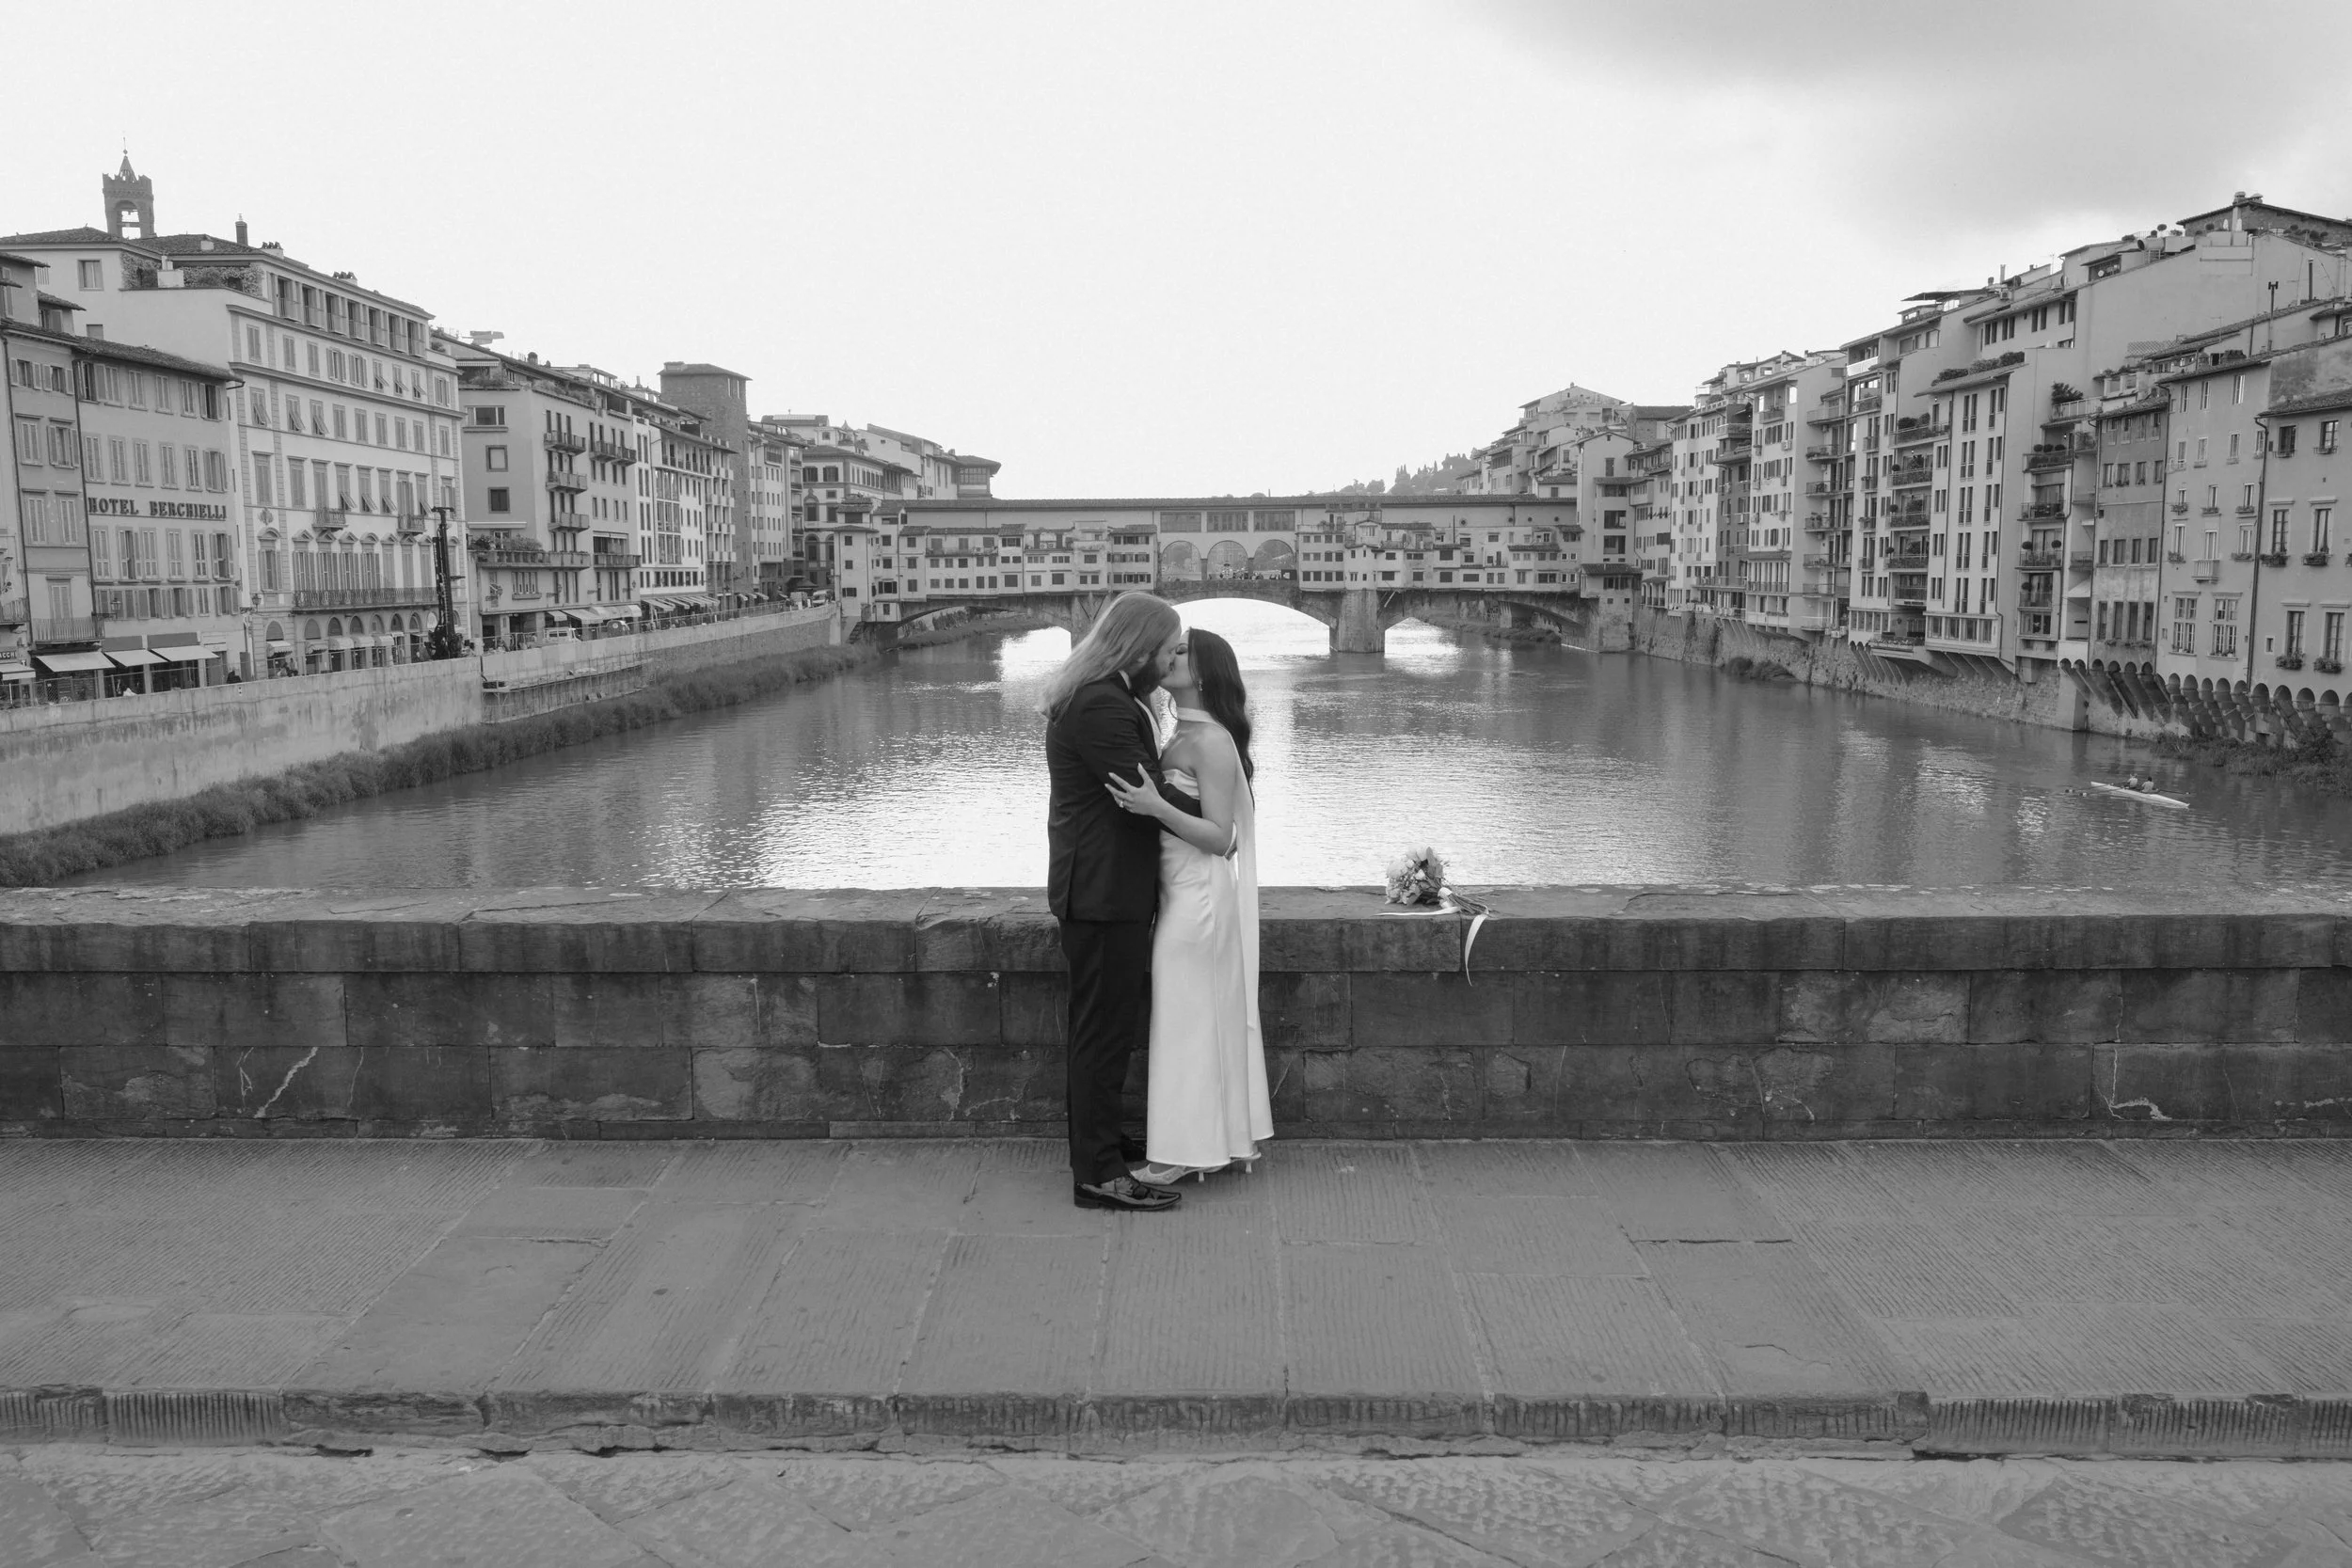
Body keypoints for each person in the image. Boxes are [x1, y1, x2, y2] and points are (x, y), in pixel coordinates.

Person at [1041, 592, 1206, 1213]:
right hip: (1102, 892)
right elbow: (1146, 794)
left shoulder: (1107, 695)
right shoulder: (1102, 705)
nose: (1170, 662)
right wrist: (1220, 809)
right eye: (1166, 650)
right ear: (1137, 649)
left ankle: (1102, 1143)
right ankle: (1099, 1173)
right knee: (1101, 1035)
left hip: (1105, 888)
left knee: (1106, 1029)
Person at [1107, 626, 1272, 1184]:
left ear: (1202, 672)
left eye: (1180, 651)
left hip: (1199, 897)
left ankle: (1183, 1153)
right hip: (1178, 889)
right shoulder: (1180, 731)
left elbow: (1222, 838)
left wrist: (1155, 805)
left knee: (1185, 1020)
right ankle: (1208, 1142)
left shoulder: (1213, 742)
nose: (1168, 655)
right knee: (1190, 1019)